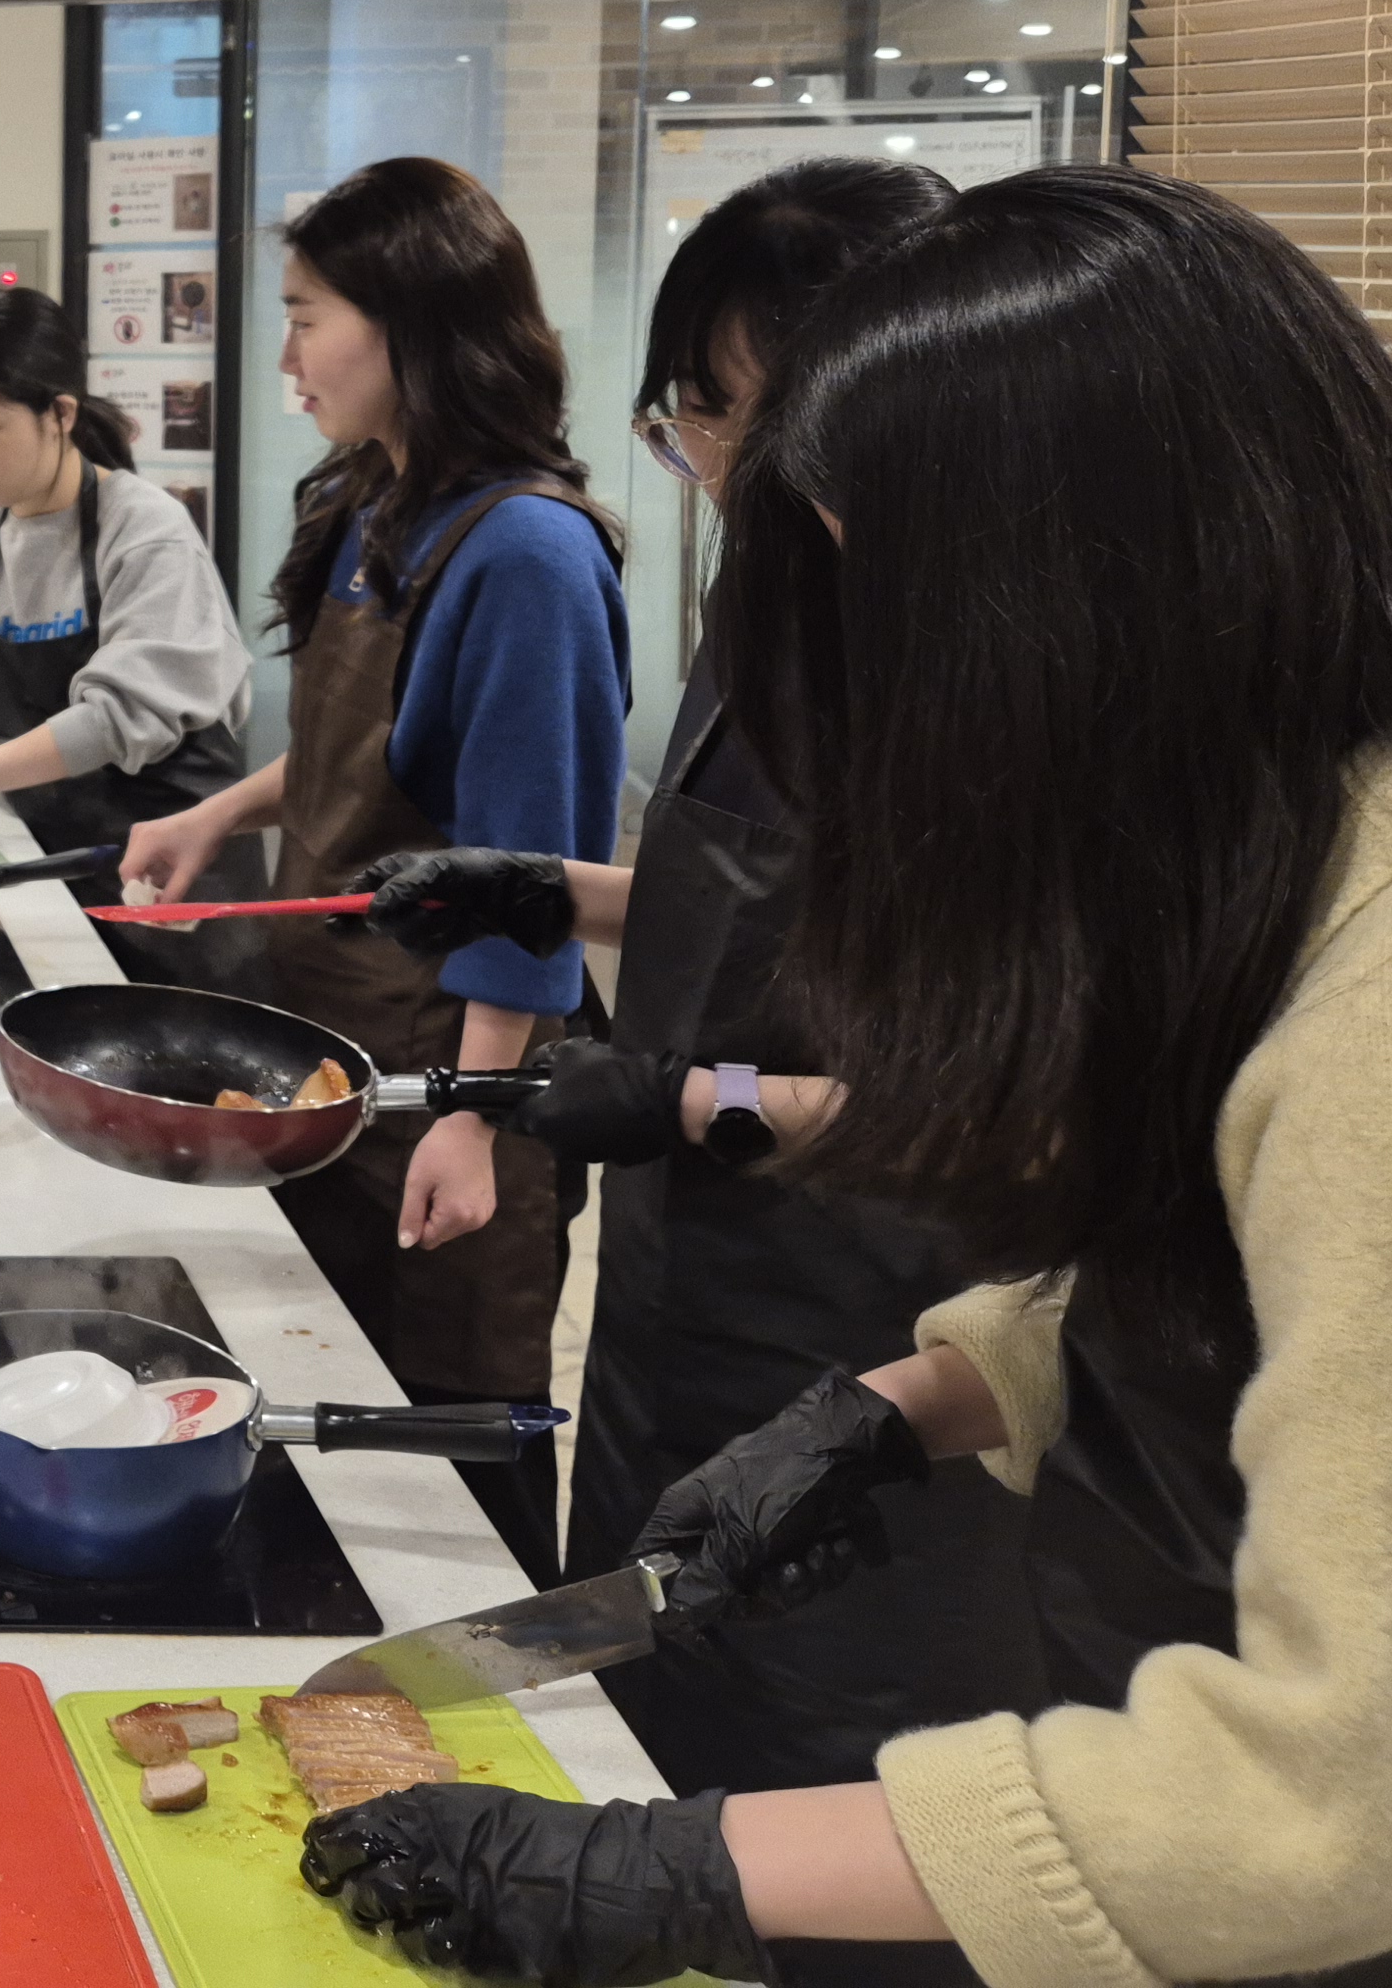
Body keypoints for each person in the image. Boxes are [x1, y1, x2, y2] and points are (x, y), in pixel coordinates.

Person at [299, 168, 1392, 1988]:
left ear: (1093, 582)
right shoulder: (1262, 838)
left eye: (892, 607)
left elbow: (1331, 1807)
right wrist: (909, 1406)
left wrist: (666, 1872)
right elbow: (1206, 1265)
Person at [353, 165, 1039, 1915]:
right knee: (630, 1717)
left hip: (880, 1348)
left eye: (729, 409)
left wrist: (688, 1096)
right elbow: (734, 905)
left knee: (804, 1810)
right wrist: (554, 890)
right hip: (676, 1315)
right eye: (691, 412)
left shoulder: (1001, 682)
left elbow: (1004, 1114)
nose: (706, 453)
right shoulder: (768, 610)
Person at [119, 156, 625, 1583]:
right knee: (330, 1415)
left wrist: (470, 1111)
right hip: (333, 1052)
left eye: (305, 318)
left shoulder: (526, 553)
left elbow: (530, 860)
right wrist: (224, 813)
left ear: (416, 324)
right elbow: (374, 753)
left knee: (449, 1461)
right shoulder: (375, 501)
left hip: (451, 1071)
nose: (286, 358)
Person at [0, 285, 253, 913]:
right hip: (51, 864)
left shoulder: (146, 531)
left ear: (61, 414)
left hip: (176, 874)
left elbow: (119, 717)